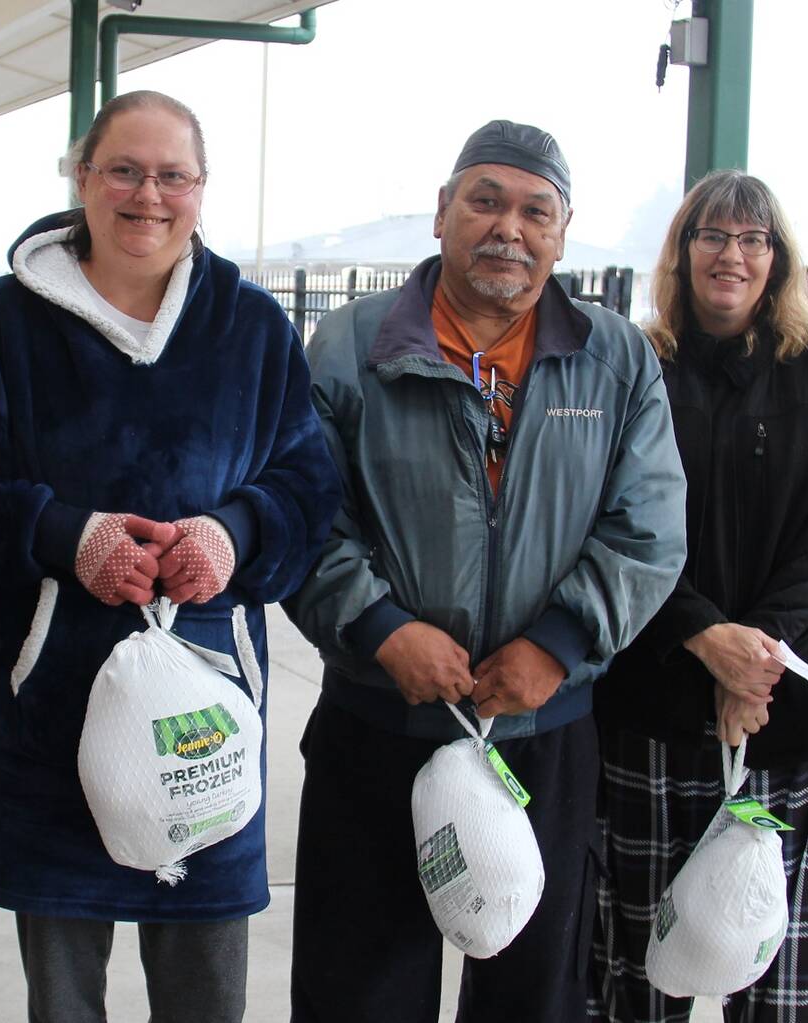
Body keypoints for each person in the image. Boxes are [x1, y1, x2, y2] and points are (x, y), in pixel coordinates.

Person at [0, 90, 338, 1023]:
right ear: (82, 177)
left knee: (206, 995)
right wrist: (63, 536)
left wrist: (236, 533)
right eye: (125, 171)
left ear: (202, 189)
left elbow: (309, 485)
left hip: (204, 724)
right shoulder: (3, 328)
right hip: (45, 718)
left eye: (173, 175)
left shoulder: (250, 331)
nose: (149, 195)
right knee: (64, 1002)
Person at [282, 119, 688, 1022]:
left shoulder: (614, 358)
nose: (509, 227)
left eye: (535, 211)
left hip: (543, 735)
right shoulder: (351, 348)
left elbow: (651, 527)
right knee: (360, 988)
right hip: (380, 722)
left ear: (562, 231)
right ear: (442, 214)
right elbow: (305, 517)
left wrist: (560, 641)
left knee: (530, 991)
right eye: (486, 201)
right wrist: (384, 629)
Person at [590, 170, 808, 1022]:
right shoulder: (636, 365)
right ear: (682, 254)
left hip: (798, 720)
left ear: (779, 259)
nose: (733, 254)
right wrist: (702, 636)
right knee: (638, 976)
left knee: (784, 989)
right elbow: (606, 517)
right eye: (712, 236)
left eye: (753, 239)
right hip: (656, 710)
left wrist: (757, 656)